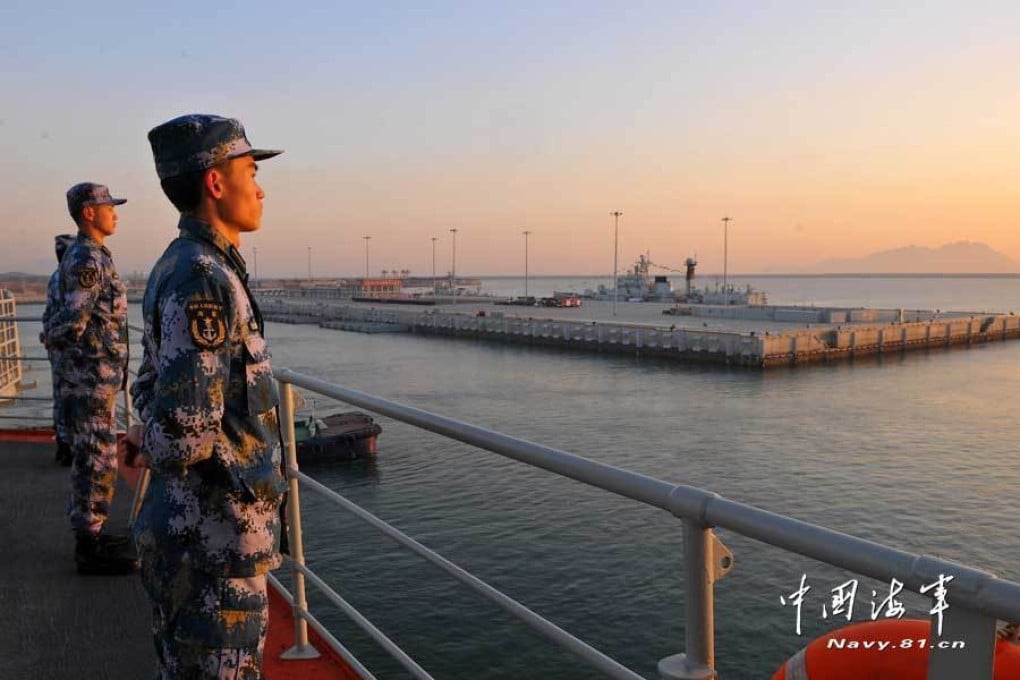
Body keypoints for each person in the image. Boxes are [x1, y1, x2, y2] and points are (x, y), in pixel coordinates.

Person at [127, 114, 286, 678]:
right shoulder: (203, 278)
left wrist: (146, 429)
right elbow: (186, 437)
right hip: (212, 546)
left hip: (202, 539)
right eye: (251, 172)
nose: (260, 188)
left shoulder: (185, 264)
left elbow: (149, 384)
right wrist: (152, 437)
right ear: (216, 182)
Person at [44, 183, 136, 575]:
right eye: (108, 206)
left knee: (92, 458)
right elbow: (72, 320)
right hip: (91, 379)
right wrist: (57, 343)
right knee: (97, 460)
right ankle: (89, 546)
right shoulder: (88, 258)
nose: (114, 213)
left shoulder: (89, 254)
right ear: (88, 213)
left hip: (94, 377)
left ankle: (92, 532)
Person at [40, 233, 77, 466]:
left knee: (60, 396)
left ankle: (63, 444)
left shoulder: (54, 278)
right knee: (73, 398)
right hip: (71, 350)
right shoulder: (70, 279)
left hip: (56, 350)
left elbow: (48, 314)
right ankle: (70, 446)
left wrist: (48, 336)